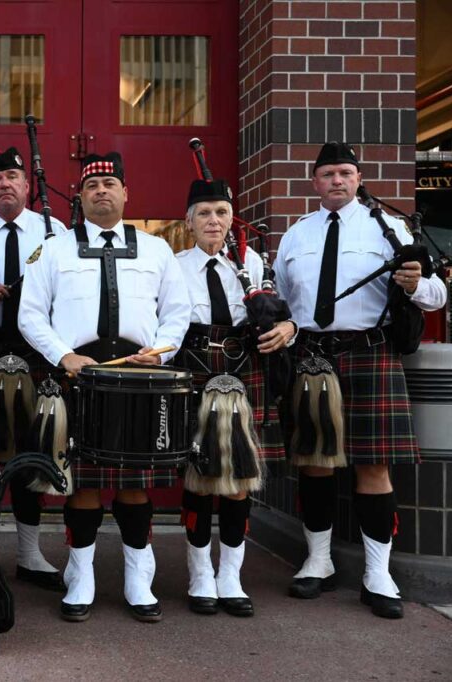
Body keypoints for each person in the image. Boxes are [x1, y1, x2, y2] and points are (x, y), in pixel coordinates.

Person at [274, 142, 447, 619]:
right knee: (315, 462)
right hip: (311, 357)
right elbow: (285, 299)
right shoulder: (296, 234)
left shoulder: (388, 228)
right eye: (328, 173)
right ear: (314, 182)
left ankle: (378, 573)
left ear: (358, 178)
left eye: (345, 172)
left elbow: (435, 295)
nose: (337, 180)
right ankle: (318, 560)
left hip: (370, 354)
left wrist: (414, 284)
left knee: (374, 466)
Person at [18, 152, 191, 622]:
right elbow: (30, 313)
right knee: (84, 488)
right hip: (80, 378)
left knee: (134, 488)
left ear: (125, 193)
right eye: (92, 186)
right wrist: (64, 355)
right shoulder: (54, 249)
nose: (101, 191)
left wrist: (160, 351)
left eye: (110, 183)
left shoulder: (156, 249)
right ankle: (82, 576)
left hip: (140, 379)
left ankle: (139, 579)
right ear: (79, 195)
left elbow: (179, 311)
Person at [174, 178, 295, 616]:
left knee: (239, 481)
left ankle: (231, 576)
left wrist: (289, 327)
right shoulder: (174, 265)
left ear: (232, 220)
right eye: (204, 213)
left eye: (221, 213)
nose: (213, 220)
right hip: (194, 370)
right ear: (188, 222)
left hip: (246, 372)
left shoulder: (252, 263)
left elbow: (286, 310)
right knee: (200, 479)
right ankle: (200, 574)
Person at [0, 147, 67, 590]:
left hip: (35, 349)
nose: (5, 184)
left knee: (32, 448)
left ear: (28, 185)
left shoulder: (55, 231)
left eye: (13, 176)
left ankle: (29, 552)